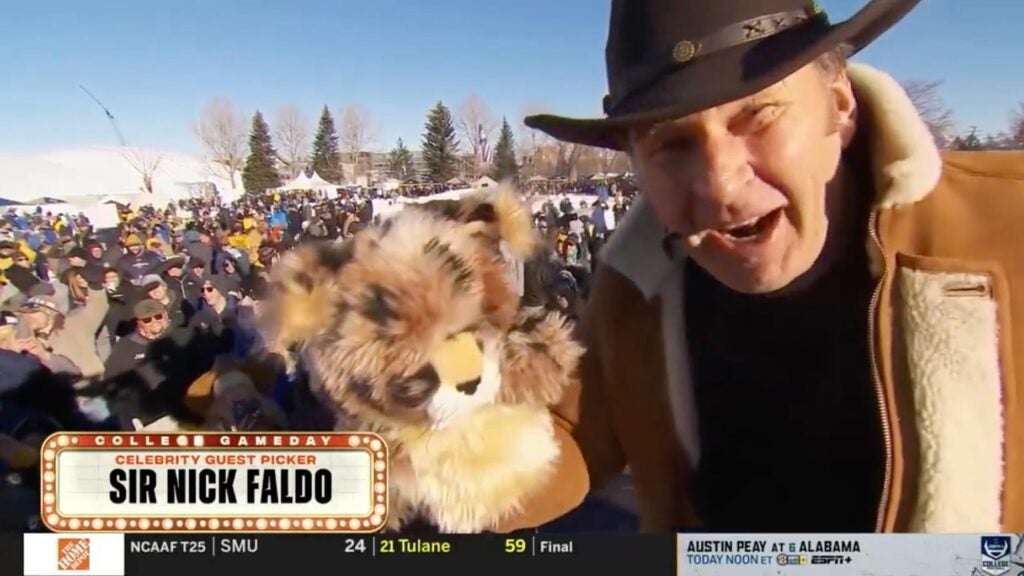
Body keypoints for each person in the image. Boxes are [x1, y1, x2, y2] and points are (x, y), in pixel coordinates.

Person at [523, 0, 1024, 532]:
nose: (720, 185)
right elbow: (562, 446)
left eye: (757, 115)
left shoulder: (1004, 228)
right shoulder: (636, 290)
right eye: (671, 144)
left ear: (839, 105)